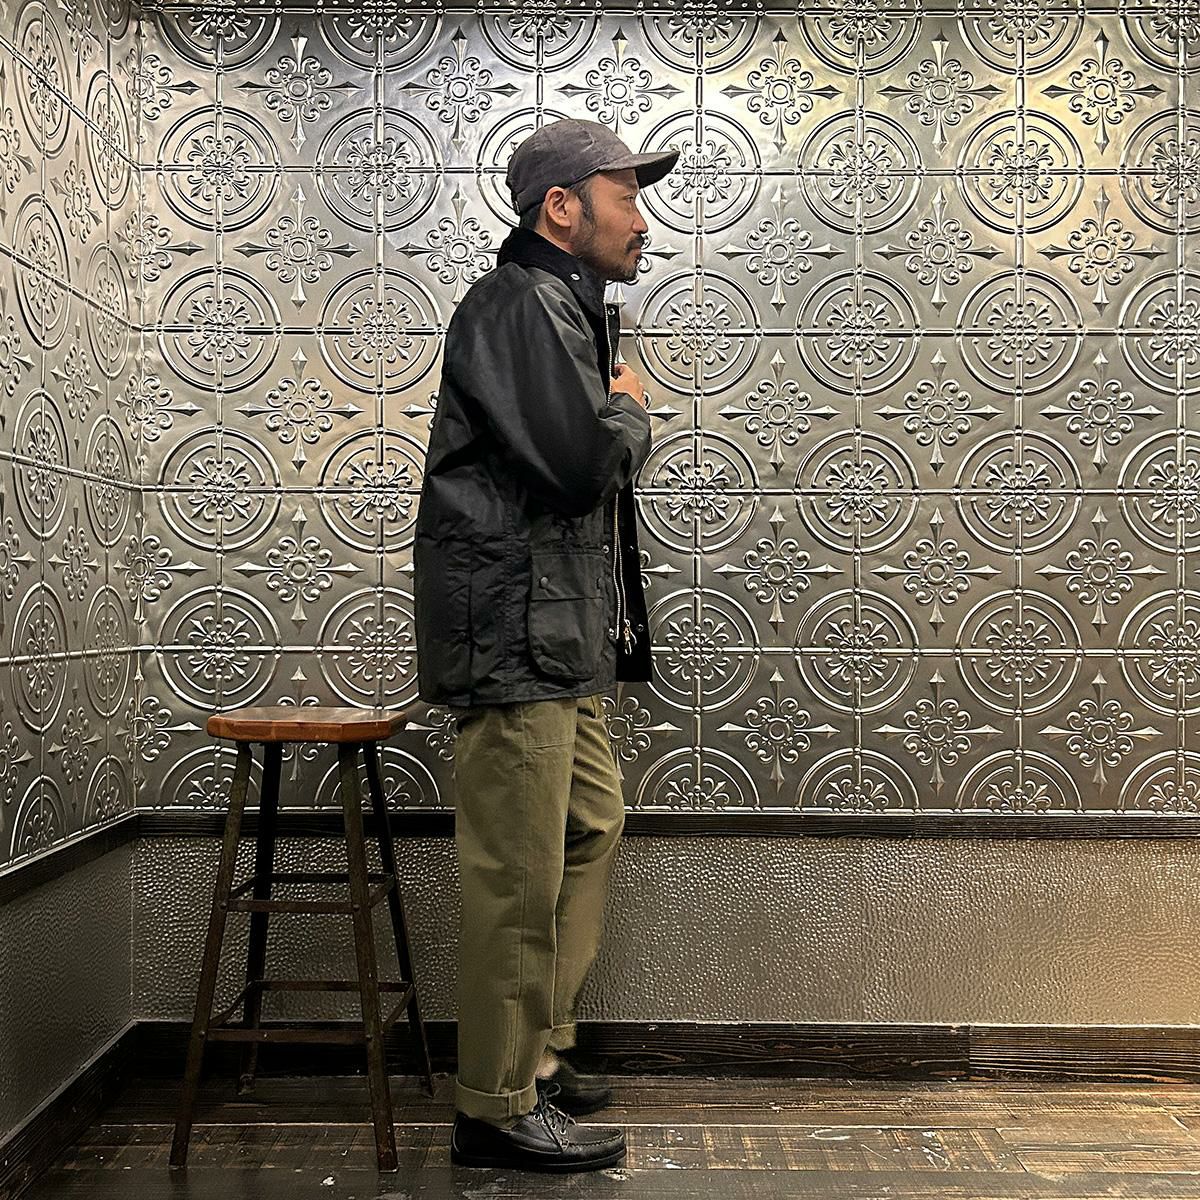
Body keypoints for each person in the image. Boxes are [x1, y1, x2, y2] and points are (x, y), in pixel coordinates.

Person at [413, 119, 678, 1172]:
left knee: (590, 827)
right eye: (626, 197)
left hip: (554, 636)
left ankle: (535, 1051)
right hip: (516, 640)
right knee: (517, 878)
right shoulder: (519, 303)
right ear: (562, 207)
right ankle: (493, 1105)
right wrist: (629, 412)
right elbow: (576, 468)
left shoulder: (557, 308)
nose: (641, 220)